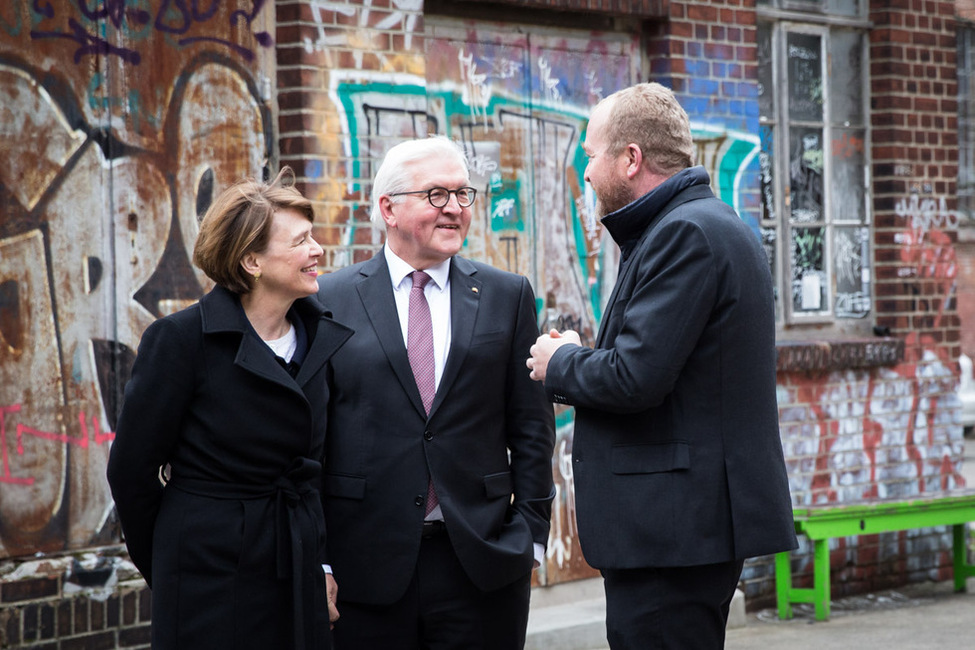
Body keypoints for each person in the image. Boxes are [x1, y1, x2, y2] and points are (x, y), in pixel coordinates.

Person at [526, 82, 798, 649]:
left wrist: (560, 362)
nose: (586, 172)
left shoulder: (684, 234)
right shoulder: (700, 224)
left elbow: (635, 378)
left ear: (631, 159)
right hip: (680, 528)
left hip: (671, 532)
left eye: (592, 154)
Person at [317, 135, 556, 649]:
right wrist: (320, 559)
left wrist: (531, 539)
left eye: (463, 194)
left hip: (481, 565)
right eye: (436, 195)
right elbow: (312, 439)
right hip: (365, 569)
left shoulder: (506, 295)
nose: (455, 209)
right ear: (389, 209)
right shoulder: (329, 300)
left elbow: (532, 428)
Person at [106, 168, 351, 650]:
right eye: (301, 241)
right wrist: (174, 566)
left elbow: (314, 471)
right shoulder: (180, 340)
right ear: (252, 261)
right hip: (208, 579)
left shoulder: (317, 336)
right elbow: (131, 472)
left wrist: (319, 562)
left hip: (295, 566)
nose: (318, 250)